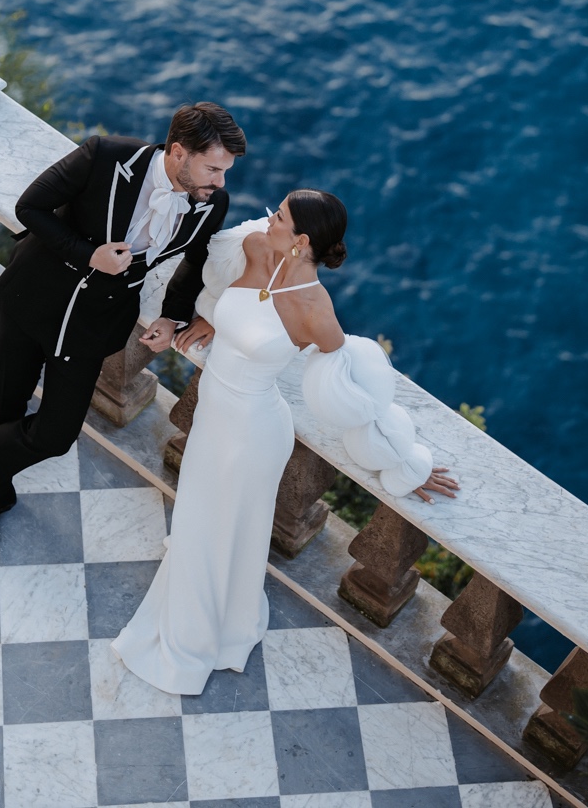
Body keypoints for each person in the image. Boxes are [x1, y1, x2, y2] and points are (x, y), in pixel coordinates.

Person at [111, 190, 458, 695]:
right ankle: (210, 599)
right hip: (213, 411)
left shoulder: (316, 310)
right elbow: (224, 293)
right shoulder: (255, 248)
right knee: (199, 516)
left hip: (252, 432)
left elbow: (357, 398)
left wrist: (406, 462)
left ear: (300, 241)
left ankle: (201, 637)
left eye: (279, 216)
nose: (267, 217)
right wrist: (209, 319)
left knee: (221, 526)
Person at [0, 101, 246, 554]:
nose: (221, 182)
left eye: (225, 171)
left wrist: (171, 315)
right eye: (214, 168)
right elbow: (30, 207)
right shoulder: (105, 156)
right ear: (178, 152)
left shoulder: (212, 202)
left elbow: (196, 260)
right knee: (5, 404)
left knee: (55, 434)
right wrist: (87, 254)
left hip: (96, 323)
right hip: (32, 298)